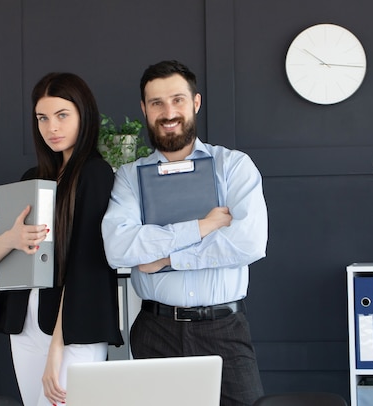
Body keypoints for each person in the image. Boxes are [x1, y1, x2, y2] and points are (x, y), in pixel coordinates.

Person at [101, 60, 268, 406]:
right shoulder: (130, 178)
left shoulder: (233, 166)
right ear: (144, 110)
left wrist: (165, 258)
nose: (168, 112)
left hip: (224, 330)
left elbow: (248, 242)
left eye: (177, 99)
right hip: (155, 331)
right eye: (157, 103)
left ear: (195, 102)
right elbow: (119, 247)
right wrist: (203, 226)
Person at [0, 72, 123, 406]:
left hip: (74, 330)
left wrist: (57, 349)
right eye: (43, 118)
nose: (51, 127)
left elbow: (84, 268)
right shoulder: (33, 179)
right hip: (25, 326)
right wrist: (12, 238)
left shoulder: (95, 174)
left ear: (84, 115)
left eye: (62, 116)